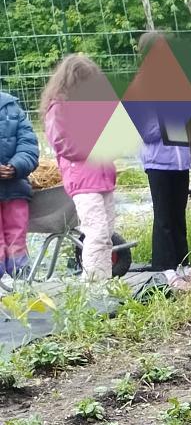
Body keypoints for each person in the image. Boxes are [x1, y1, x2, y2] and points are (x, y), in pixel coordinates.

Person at [40, 54, 119, 283]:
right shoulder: (59, 109)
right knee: (96, 234)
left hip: (103, 177)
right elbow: (65, 144)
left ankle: (104, 282)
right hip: (84, 180)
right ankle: (93, 286)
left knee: (106, 236)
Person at [132, 31, 191, 285]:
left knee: (179, 215)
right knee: (164, 216)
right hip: (158, 161)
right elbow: (145, 131)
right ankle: (165, 269)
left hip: (181, 161)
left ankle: (184, 265)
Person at [0, 79, 39, 278]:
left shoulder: (11, 109)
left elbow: (29, 145)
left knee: (17, 239)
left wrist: (16, 166)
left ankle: (21, 283)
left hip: (15, 189)